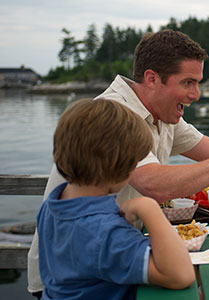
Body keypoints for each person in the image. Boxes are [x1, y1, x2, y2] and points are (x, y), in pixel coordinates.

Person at [28, 29, 209, 297]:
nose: (196, 94)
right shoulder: (114, 119)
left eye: (198, 83)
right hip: (83, 268)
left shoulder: (163, 113)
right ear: (152, 78)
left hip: (106, 261)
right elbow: (152, 183)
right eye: (188, 82)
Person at [37, 99, 195, 300]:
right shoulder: (107, 233)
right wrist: (149, 208)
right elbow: (180, 275)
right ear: (123, 169)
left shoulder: (53, 205)